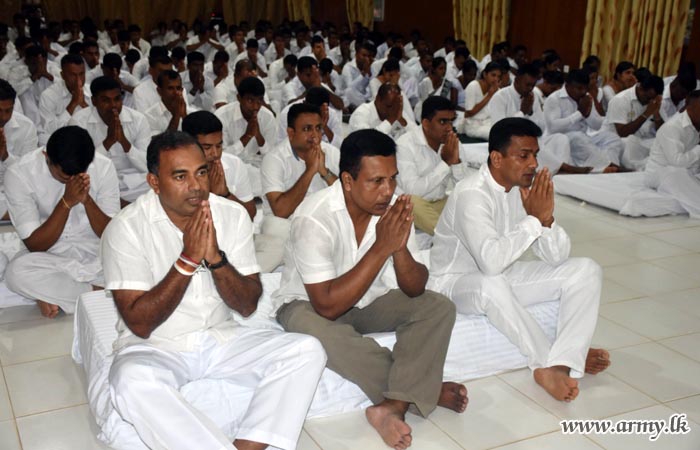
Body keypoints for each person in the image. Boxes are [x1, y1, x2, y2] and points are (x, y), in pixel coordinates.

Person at [101, 130, 326, 450]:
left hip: (222, 338)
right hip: (158, 345)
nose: (196, 186)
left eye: (201, 172)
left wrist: (216, 260)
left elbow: (247, 305)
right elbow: (139, 323)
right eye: (180, 176)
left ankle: (248, 446)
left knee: (306, 350)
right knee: (129, 382)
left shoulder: (230, 214)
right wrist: (187, 261)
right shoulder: (126, 228)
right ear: (154, 183)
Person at [273, 129, 467, 450]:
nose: (388, 190)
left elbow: (415, 288)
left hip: (368, 301)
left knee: (437, 308)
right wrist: (381, 248)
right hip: (307, 305)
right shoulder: (314, 217)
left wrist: (399, 247)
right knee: (324, 334)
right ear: (347, 181)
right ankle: (422, 391)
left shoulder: (392, 208)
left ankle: (393, 405)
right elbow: (327, 306)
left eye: (392, 178)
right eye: (376, 181)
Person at [429, 117, 610, 402]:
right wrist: (533, 221)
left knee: (586, 270)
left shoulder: (523, 189)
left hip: (503, 275)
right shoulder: (471, 194)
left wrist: (546, 219)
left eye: (535, 155)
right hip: (453, 285)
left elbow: (556, 256)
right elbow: (490, 262)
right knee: (492, 283)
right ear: (497, 158)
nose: (533, 164)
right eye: (523, 156)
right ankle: (545, 363)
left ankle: (564, 360)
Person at [4, 126, 119, 317]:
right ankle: (97, 294)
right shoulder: (19, 174)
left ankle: (57, 294)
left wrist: (86, 200)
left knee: (142, 258)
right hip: (50, 256)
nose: (72, 181)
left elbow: (111, 234)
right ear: (46, 157)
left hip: (96, 252)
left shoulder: (104, 166)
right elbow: (35, 244)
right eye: (64, 177)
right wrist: (66, 202)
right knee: (16, 273)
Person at [69, 76, 151, 203]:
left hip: (132, 181)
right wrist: (108, 142)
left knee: (158, 182)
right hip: (97, 180)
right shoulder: (79, 122)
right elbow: (79, 166)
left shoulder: (138, 119)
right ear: (94, 101)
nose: (113, 105)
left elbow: (147, 165)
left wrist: (125, 143)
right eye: (106, 100)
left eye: (117, 99)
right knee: (79, 184)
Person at [395, 96, 467, 235]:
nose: (449, 128)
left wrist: (456, 162)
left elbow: (463, 187)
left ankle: (449, 232)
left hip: (439, 203)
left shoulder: (452, 142)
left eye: (451, 121)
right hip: (414, 205)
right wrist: (445, 164)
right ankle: (450, 237)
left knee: (467, 201)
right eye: (442, 122)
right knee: (410, 203)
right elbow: (412, 190)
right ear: (426, 124)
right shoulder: (405, 145)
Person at [489, 63, 576, 175]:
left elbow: (542, 128)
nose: (530, 88)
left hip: (531, 140)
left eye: (533, 85)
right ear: (517, 80)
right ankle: (563, 168)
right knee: (531, 145)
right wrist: (522, 112)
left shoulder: (532, 96)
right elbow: (499, 130)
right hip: (507, 143)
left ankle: (561, 173)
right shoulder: (500, 97)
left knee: (560, 138)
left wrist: (530, 113)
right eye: (527, 84)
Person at [262, 103, 339, 219]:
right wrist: (310, 171)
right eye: (307, 129)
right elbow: (281, 211)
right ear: (291, 133)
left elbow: (348, 199)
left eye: (318, 128)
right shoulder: (274, 159)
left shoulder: (332, 153)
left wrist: (325, 172)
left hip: (323, 222)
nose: (315, 135)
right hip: (286, 225)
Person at [544, 69, 624, 172]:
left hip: (583, 137)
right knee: (578, 137)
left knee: (612, 138)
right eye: (579, 88)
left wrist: (587, 114)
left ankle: (611, 167)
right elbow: (553, 127)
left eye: (585, 88)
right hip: (558, 139)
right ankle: (604, 167)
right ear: (567, 85)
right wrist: (580, 113)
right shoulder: (554, 99)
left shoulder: (586, 97)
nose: (582, 92)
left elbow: (596, 126)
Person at [645, 90, 700, 218]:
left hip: (688, 173)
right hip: (661, 174)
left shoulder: (697, 124)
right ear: (689, 108)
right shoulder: (672, 127)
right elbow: (677, 162)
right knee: (677, 173)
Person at [603, 75, 664, 170]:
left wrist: (657, 115)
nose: (649, 101)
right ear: (640, 88)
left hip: (641, 142)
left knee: (662, 145)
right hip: (620, 142)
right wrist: (646, 114)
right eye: (647, 98)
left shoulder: (653, 101)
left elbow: (662, 132)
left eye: (652, 98)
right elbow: (622, 133)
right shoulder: (620, 100)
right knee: (629, 142)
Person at [0, 79, 39, 219]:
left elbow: (30, 172)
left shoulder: (26, 127)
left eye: (8, 110)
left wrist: (5, 155)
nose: (3, 117)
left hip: (15, 192)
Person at [38, 53, 91, 145]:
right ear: (62, 75)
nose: (78, 80)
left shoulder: (91, 91)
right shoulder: (48, 96)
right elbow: (50, 130)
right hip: (62, 142)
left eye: (81, 74)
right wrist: (73, 103)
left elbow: (100, 122)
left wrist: (84, 105)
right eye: (73, 75)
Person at [350, 82, 417, 140]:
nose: (391, 111)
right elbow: (367, 141)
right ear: (378, 99)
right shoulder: (361, 113)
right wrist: (390, 120)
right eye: (388, 106)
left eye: (395, 107)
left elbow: (417, 134)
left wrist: (401, 119)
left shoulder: (395, 110)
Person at [463, 61, 501, 139]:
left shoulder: (497, 90)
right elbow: (469, 112)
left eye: (498, 76)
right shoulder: (473, 86)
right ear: (485, 74)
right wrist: (489, 95)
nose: (496, 79)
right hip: (473, 125)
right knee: (496, 134)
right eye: (493, 75)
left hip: (488, 122)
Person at [144, 70, 188, 134]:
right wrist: (176, 115)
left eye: (178, 88)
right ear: (159, 91)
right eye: (170, 88)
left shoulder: (192, 112)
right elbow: (161, 143)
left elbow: (197, 139)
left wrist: (184, 116)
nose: (175, 93)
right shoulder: (149, 116)